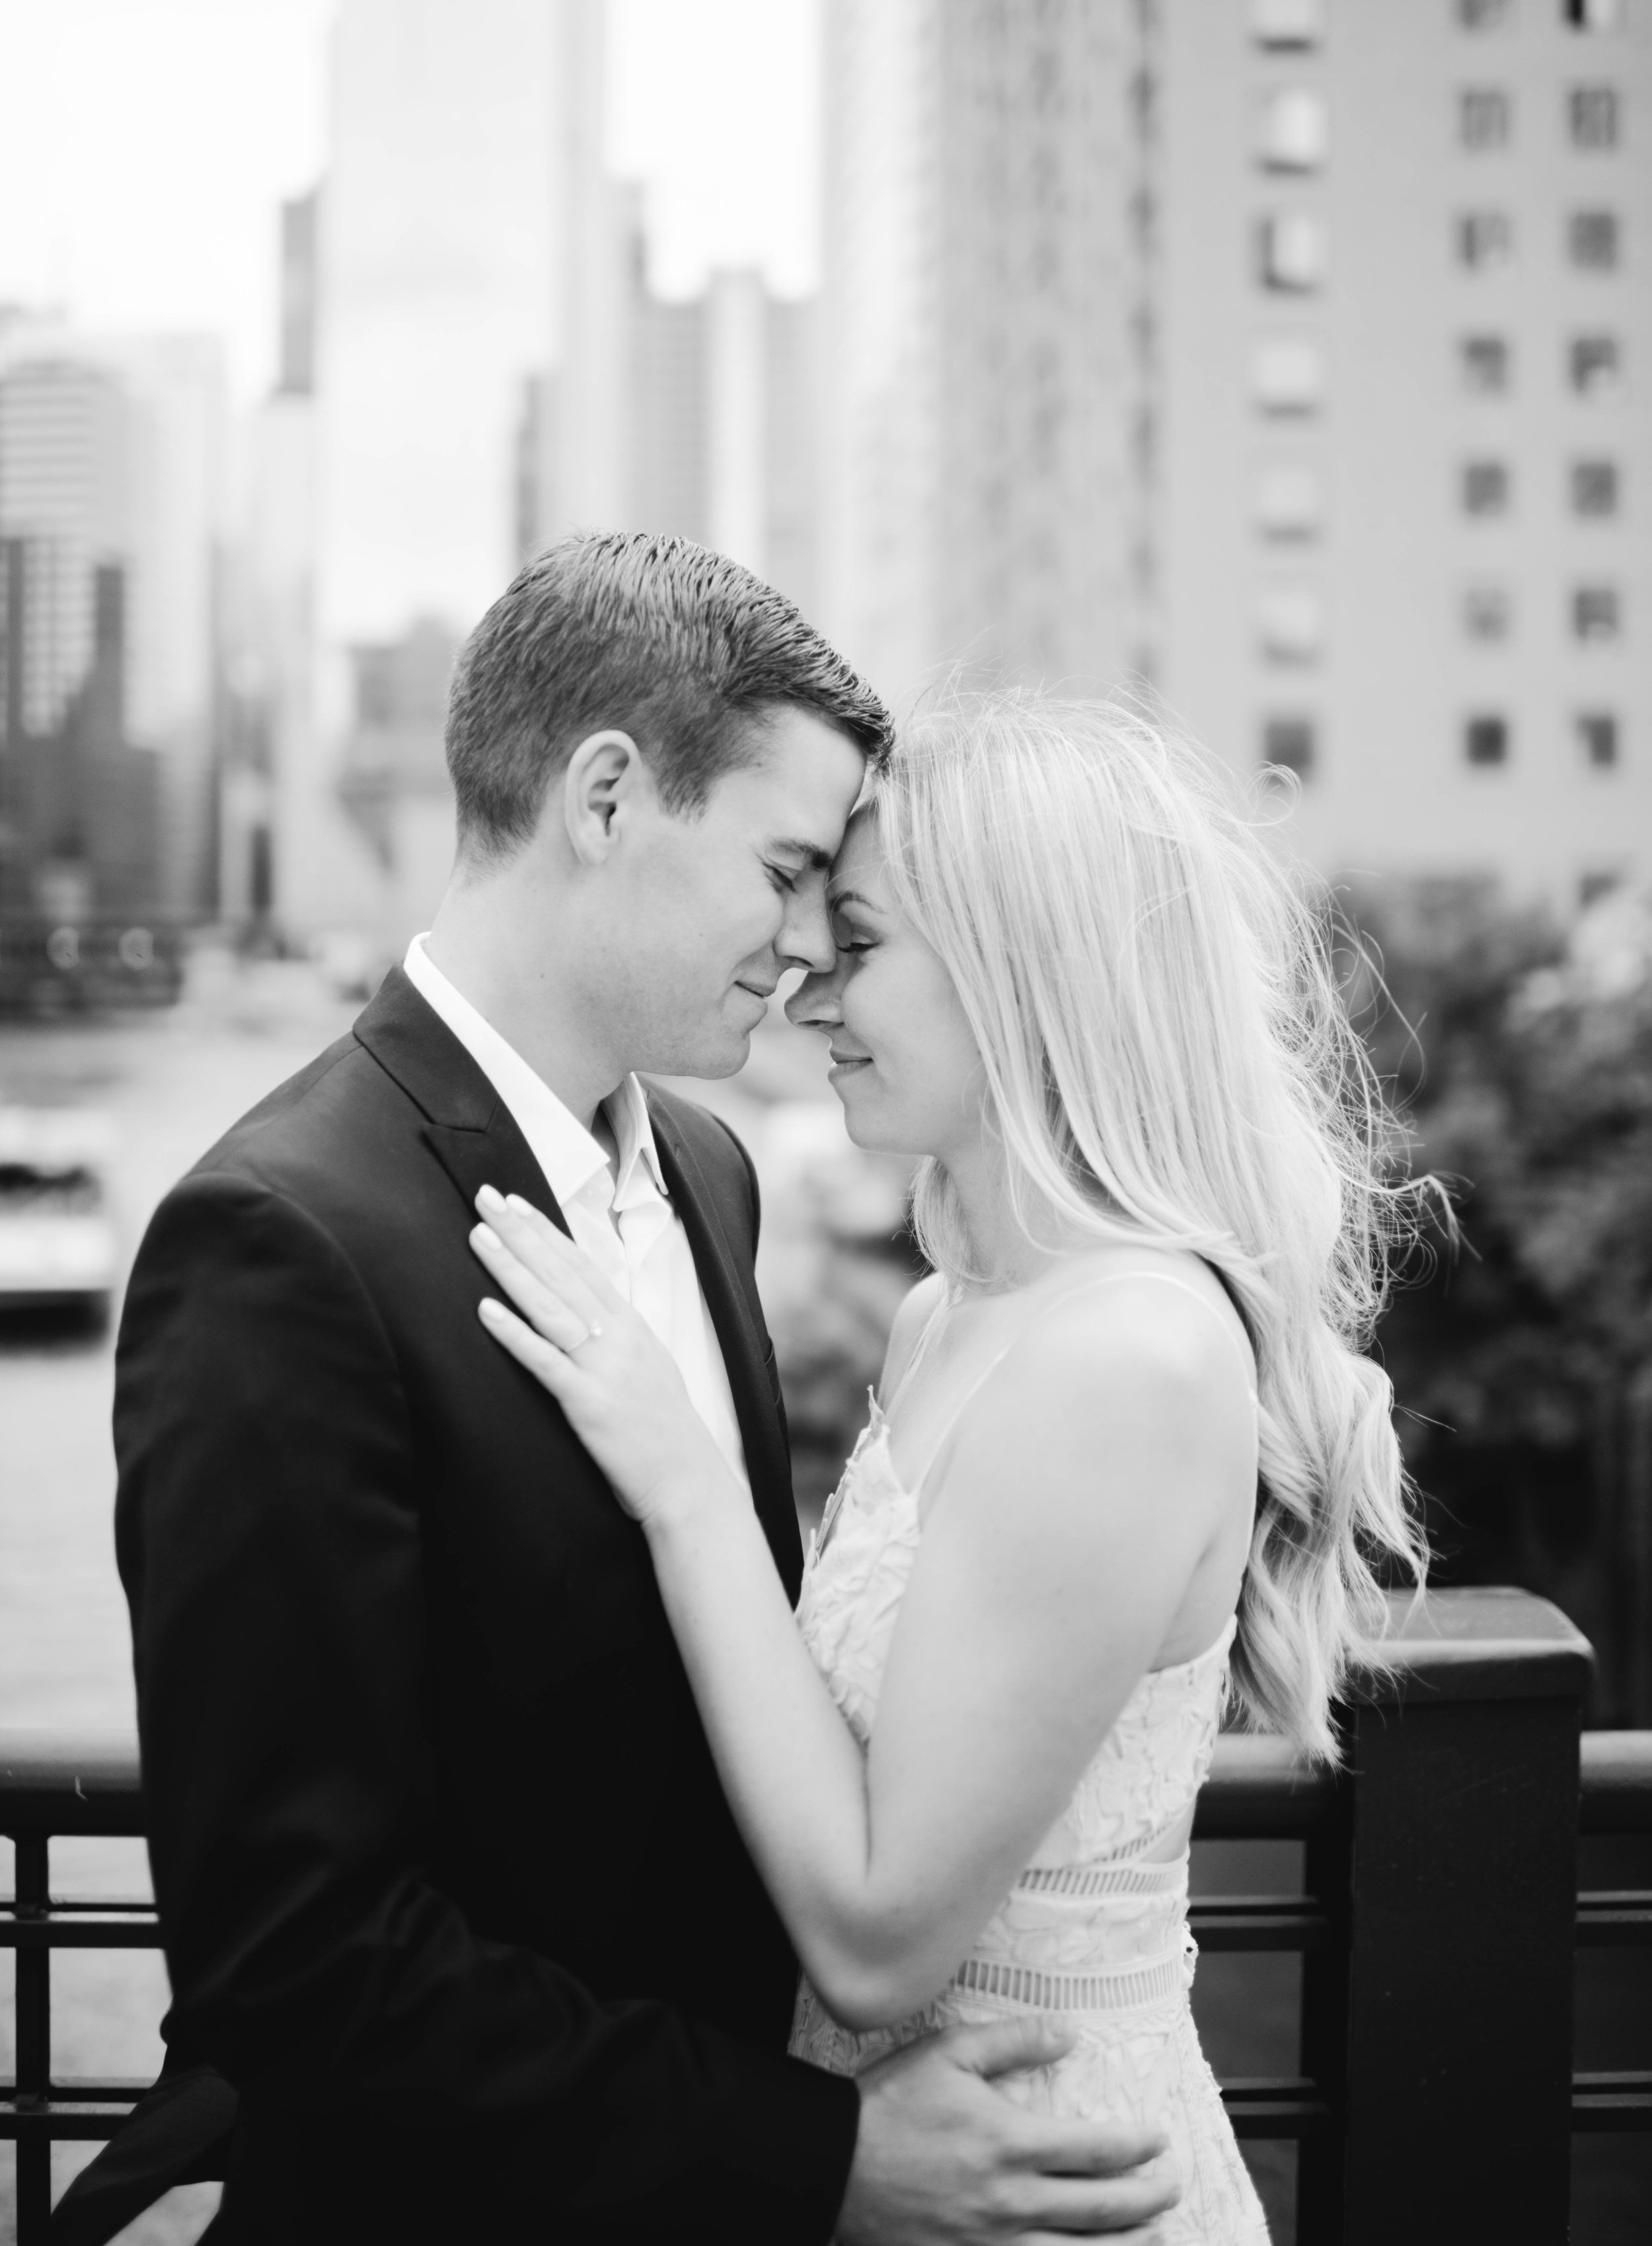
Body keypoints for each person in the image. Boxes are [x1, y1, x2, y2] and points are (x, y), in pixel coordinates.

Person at [110, 537, 1181, 2245]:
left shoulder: (708, 1171)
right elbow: (295, 1958)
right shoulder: (279, 1242)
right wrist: (811, 2154)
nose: (811, 946)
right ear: (604, 798)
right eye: (784, 868)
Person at [470, 685, 1430, 2245]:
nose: (807, 993)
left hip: (1042, 2183)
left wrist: (687, 1480)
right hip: (888, 2165)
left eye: (858, 941)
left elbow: (874, 1939)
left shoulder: (1128, 1357)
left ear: (1012, 970)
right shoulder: (944, 1317)